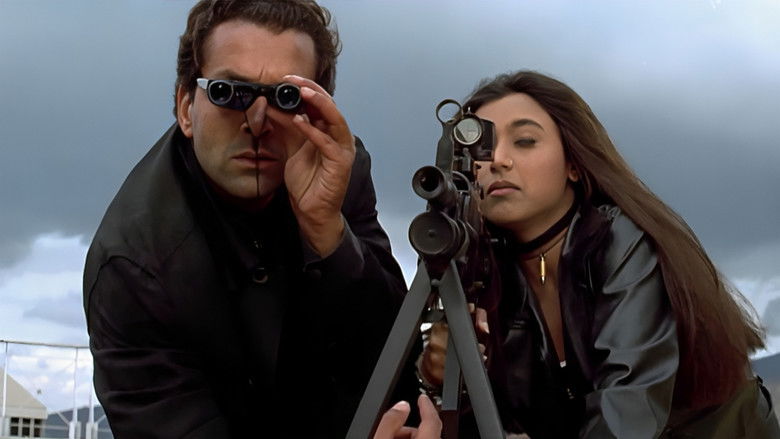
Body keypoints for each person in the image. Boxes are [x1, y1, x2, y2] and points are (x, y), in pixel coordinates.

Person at [83, 1, 410, 437]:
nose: (257, 122)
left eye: (285, 99)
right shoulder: (133, 264)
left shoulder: (338, 170)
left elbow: (391, 347)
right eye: (227, 92)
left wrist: (329, 234)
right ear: (185, 107)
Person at [419, 70, 780, 438]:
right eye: (480, 147)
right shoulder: (477, 271)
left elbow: (627, 408)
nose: (498, 159)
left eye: (525, 141)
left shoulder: (624, 241)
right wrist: (438, 378)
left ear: (573, 164)